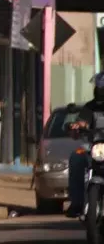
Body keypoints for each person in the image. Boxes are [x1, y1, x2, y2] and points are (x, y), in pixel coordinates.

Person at [67, 72, 104, 217]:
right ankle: (76, 203)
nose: (101, 92)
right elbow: (83, 121)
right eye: (99, 89)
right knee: (76, 157)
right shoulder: (90, 106)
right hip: (95, 147)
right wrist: (76, 127)